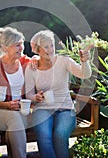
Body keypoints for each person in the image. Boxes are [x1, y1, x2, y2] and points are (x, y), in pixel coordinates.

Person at [25, 30, 93, 158]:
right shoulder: (32, 67)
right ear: (37, 49)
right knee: (44, 137)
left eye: (52, 45)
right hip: (42, 109)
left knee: (60, 135)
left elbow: (85, 74)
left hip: (66, 109)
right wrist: (36, 97)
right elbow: (29, 94)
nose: (50, 50)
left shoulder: (63, 61)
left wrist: (84, 62)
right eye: (46, 47)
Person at [0, 27, 32, 158]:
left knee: (15, 122)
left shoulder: (27, 63)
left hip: (21, 111)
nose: (22, 47)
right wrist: (7, 105)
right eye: (17, 45)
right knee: (14, 118)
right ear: (5, 48)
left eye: (22, 43)